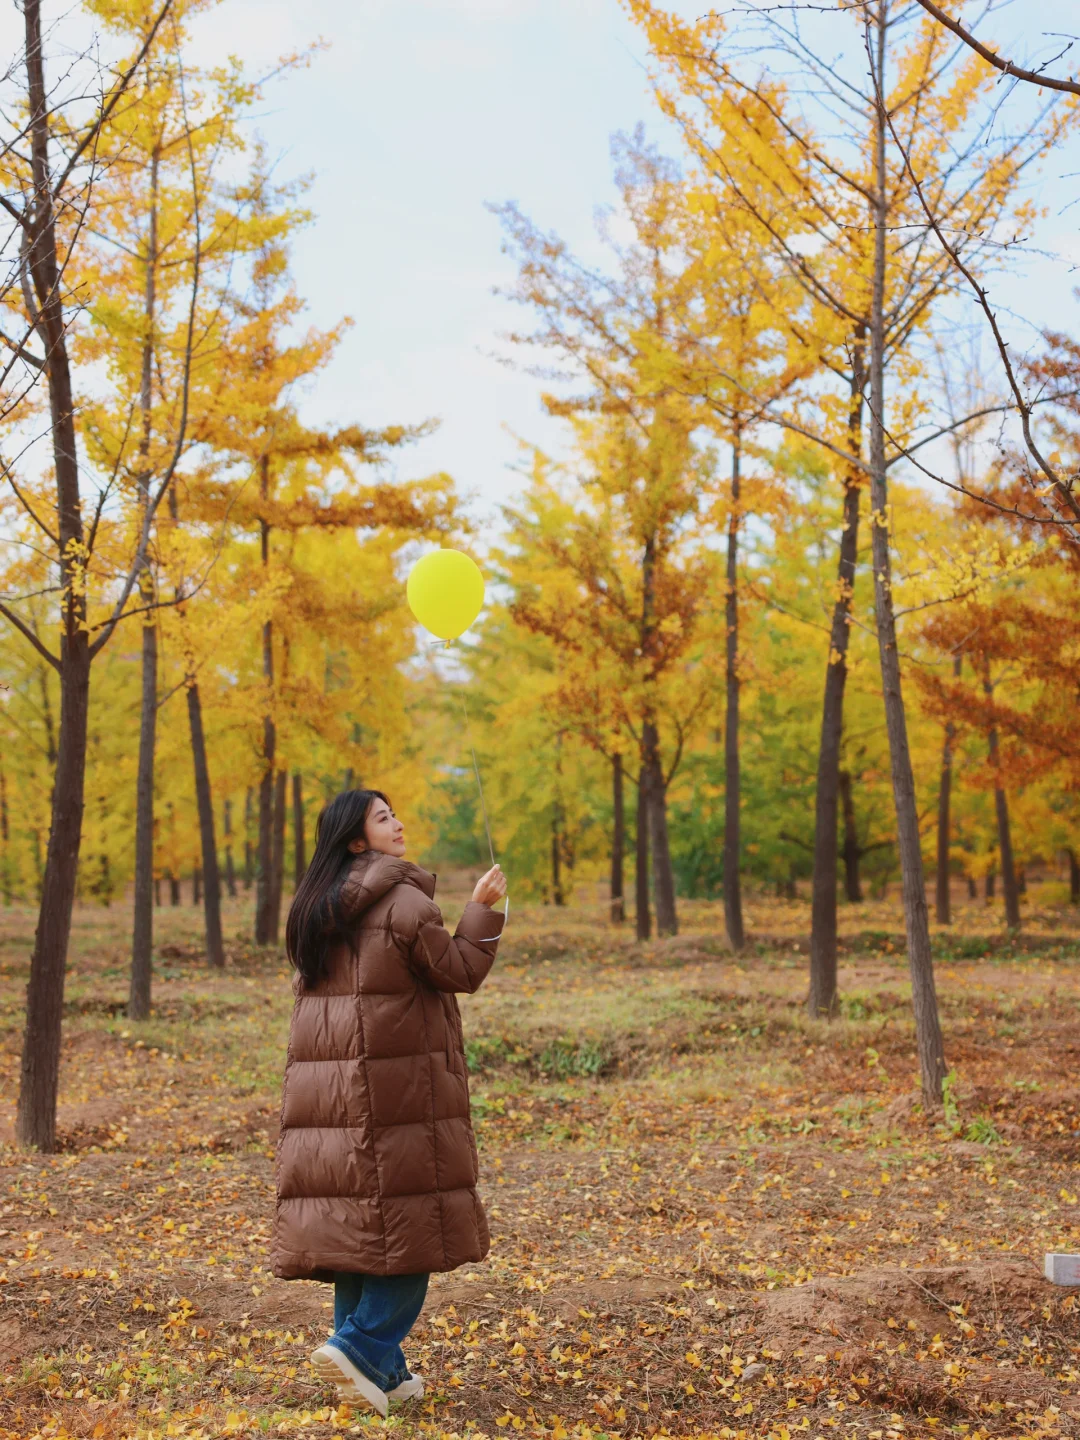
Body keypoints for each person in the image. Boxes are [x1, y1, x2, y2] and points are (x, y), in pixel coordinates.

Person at [271, 788, 507, 1416]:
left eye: (394, 813)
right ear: (356, 840)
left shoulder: (314, 908)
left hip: (331, 1096)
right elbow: (459, 971)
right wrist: (482, 910)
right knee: (410, 1236)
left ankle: (387, 1374)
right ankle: (359, 1347)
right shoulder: (405, 902)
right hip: (397, 1092)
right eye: (382, 818)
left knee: (360, 1236)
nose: (398, 823)